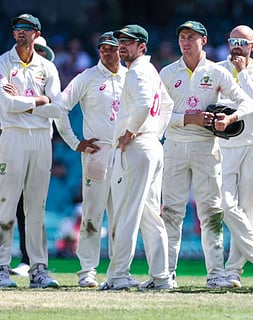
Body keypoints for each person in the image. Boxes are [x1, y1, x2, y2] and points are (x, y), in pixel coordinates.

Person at [159, 20, 253, 289]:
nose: (185, 42)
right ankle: (166, 274)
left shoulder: (216, 72)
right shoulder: (167, 73)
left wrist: (230, 118)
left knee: (211, 212)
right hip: (175, 146)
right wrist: (188, 119)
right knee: (171, 213)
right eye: (182, 37)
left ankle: (215, 275)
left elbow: (246, 102)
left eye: (191, 37)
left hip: (206, 147)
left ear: (203, 40)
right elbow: (158, 116)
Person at [0, 13, 62, 288]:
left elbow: (57, 106)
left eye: (27, 28)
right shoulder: (0, 64)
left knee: (36, 207)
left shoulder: (48, 68)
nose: (21, 32)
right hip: (14, 137)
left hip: (42, 138)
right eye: (17, 28)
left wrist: (30, 101)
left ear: (37, 34)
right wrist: (39, 100)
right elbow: (6, 105)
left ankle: (38, 269)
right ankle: (0, 269)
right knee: (6, 203)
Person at [100, 24, 174, 291]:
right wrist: (156, 132)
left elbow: (144, 104)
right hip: (151, 145)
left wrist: (131, 132)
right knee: (150, 215)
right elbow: (167, 104)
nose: (122, 45)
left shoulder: (136, 72)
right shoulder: (151, 71)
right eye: (120, 40)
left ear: (142, 46)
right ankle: (162, 277)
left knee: (126, 213)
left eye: (129, 42)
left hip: (138, 146)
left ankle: (119, 275)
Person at [53, 31, 128, 287]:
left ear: (121, 50)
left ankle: (119, 272)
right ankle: (87, 271)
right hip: (96, 153)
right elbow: (60, 107)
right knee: (92, 214)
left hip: (124, 154)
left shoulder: (131, 77)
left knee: (120, 215)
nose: (107, 52)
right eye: (103, 48)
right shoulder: (87, 77)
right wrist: (75, 143)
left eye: (112, 48)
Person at [216, 25, 253, 288]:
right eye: (233, 41)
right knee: (226, 205)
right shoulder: (217, 69)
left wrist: (241, 72)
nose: (237, 46)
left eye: (243, 42)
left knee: (247, 209)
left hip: (252, 144)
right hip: (223, 145)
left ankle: (233, 271)